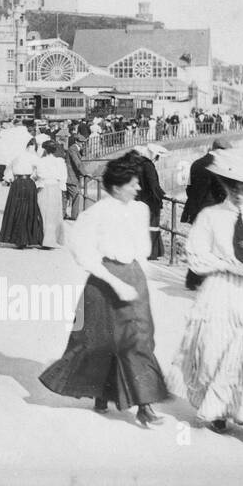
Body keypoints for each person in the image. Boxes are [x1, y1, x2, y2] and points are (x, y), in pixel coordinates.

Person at [39, 154, 169, 427]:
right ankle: (102, 392)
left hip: (133, 276)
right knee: (101, 341)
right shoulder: (94, 214)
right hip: (104, 280)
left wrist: (136, 276)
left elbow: (143, 250)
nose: (138, 188)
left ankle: (144, 406)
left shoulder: (140, 210)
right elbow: (84, 255)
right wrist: (116, 282)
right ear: (118, 186)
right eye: (133, 183)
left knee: (138, 339)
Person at [169, 151, 243, 445]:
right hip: (220, 291)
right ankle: (218, 409)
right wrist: (228, 265)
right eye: (235, 186)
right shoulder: (209, 216)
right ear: (226, 185)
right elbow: (196, 256)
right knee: (215, 350)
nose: (241, 193)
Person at [181, 138, 232, 289]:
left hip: (195, 208)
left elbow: (189, 189)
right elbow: (221, 190)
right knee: (211, 246)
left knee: (198, 244)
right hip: (211, 209)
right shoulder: (216, 165)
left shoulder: (197, 163)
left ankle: (192, 279)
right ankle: (200, 279)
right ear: (219, 151)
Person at [0, 139, 44, 249]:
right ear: (31, 146)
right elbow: (41, 171)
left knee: (16, 208)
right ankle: (27, 237)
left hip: (17, 183)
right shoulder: (33, 157)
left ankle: (17, 237)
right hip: (28, 182)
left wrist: (10, 179)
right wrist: (37, 179)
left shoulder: (16, 156)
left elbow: (7, 172)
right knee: (29, 210)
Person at [130, 143, 167, 260]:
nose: (157, 159)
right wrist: (163, 195)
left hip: (139, 199)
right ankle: (151, 252)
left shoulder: (138, 164)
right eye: (157, 157)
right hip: (150, 201)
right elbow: (153, 184)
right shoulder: (149, 166)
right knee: (153, 226)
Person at [35, 140, 68, 249]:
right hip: (55, 187)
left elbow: (39, 174)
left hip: (44, 186)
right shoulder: (60, 161)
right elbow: (63, 176)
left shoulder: (41, 161)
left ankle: (44, 238)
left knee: (44, 213)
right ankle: (53, 239)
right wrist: (62, 187)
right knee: (54, 214)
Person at [64, 134, 86, 219]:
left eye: (84, 142)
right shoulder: (73, 149)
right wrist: (85, 173)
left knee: (66, 197)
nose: (83, 144)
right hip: (71, 176)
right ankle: (74, 216)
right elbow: (77, 162)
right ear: (76, 141)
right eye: (81, 142)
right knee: (76, 195)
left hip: (70, 176)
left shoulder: (76, 148)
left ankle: (65, 214)